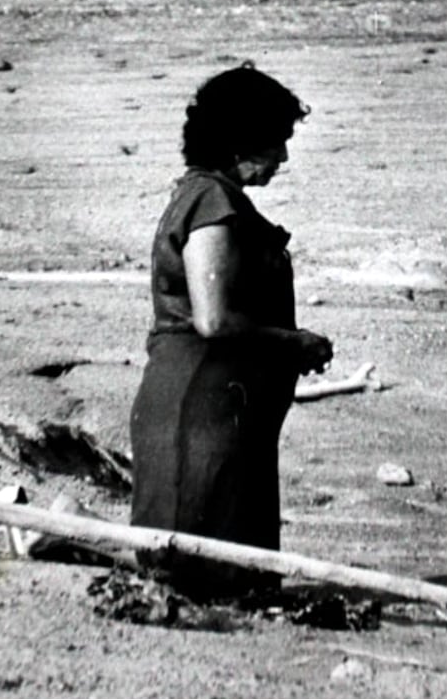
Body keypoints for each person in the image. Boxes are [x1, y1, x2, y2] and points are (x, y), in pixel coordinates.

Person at [129, 63, 333, 596]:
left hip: (216, 409)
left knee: (214, 573)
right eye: (277, 142)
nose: (283, 158)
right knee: (202, 577)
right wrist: (295, 343)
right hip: (202, 409)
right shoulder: (210, 203)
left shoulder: (209, 197)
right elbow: (213, 320)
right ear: (240, 139)